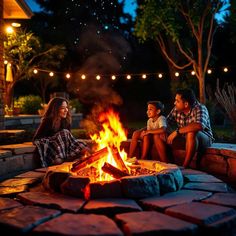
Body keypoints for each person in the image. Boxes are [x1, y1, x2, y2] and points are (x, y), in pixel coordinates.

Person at [33, 97, 91, 167]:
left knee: (85, 149)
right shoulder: (48, 121)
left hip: (65, 148)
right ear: (55, 109)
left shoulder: (66, 121)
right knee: (64, 133)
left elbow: (68, 139)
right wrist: (55, 138)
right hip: (53, 149)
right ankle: (66, 159)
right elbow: (36, 139)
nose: (66, 110)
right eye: (63, 108)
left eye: (67, 107)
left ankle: (70, 158)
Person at [165, 88, 214, 168]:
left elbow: (199, 125)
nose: (174, 103)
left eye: (177, 101)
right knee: (161, 135)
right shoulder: (176, 110)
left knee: (191, 132)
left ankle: (185, 167)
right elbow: (164, 123)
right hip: (185, 139)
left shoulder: (200, 108)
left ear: (186, 104)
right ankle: (167, 165)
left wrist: (177, 131)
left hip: (204, 138)